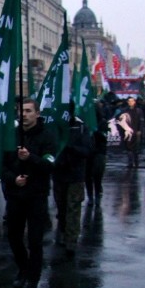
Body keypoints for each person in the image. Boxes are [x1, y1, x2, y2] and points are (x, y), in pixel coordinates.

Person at [1, 98, 57, 288]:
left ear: (36, 113)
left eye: (28, 111)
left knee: (35, 241)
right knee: (14, 237)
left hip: (36, 196)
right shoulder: (12, 136)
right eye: (21, 111)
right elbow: (2, 166)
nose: (24, 114)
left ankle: (33, 285)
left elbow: (50, 164)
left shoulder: (47, 136)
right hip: (16, 196)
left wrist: (30, 157)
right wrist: (13, 179)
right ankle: (23, 268)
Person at [52, 108, 92, 258]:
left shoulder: (81, 127)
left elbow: (87, 150)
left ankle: (71, 241)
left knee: (73, 208)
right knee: (62, 208)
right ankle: (63, 230)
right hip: (59, 174)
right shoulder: (55, 126)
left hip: (75, 175)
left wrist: (70, 148)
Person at [118, 96, 144, 168]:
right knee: (128, 147)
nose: (130, 103)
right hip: (127, 132)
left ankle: (136, 162)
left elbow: (141, 121)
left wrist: (140, 130)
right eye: (129, 101)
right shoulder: (125, 111)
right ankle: (130, 162)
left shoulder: (138, 111)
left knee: (136, 148)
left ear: (134, 102)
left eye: (132, 101)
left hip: (136, 132)